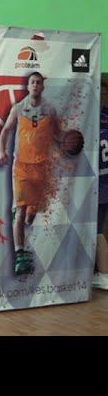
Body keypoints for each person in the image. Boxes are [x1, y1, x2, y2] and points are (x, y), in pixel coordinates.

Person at [0, 71, 62, 276]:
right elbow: (5, 130)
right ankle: (20, 254)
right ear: (28, 86)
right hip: (22, 167)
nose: (35, 85)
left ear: (42, 87)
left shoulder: (50, 110)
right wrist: (1, 151)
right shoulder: (18, 108)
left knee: (30, 216)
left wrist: (67, 145)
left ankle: (25, 215)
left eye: (38, 82)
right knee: (19, 212)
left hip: (42, 168)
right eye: (32, 82)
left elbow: (58, 135)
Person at [94, 76, 108, 290]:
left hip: (100, 185)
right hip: (103, 183)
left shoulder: (95, 121)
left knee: (96, 231)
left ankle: (104, 274)